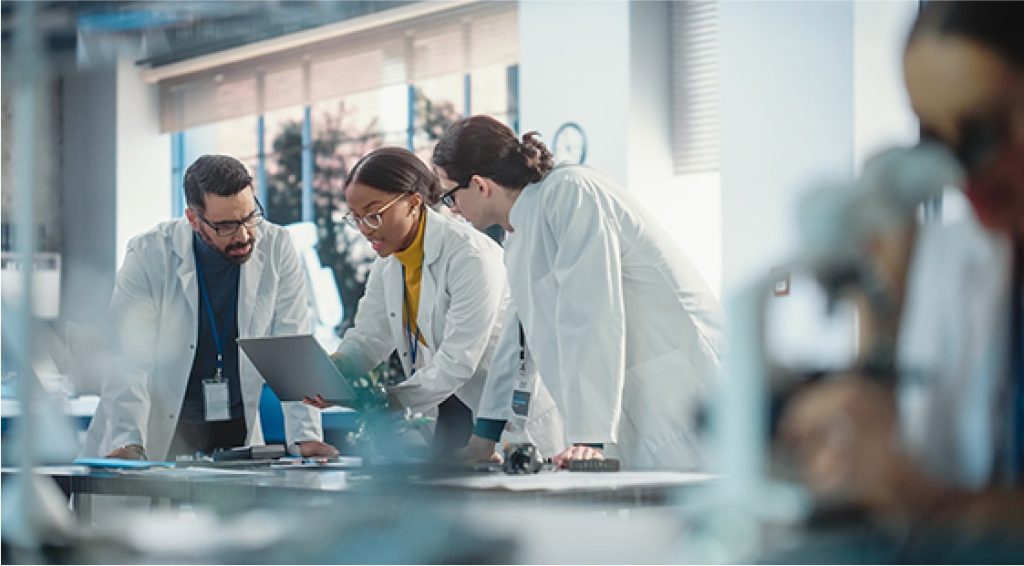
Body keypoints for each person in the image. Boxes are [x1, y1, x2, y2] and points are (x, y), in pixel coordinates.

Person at [780, 0, 1024, 545]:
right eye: (938, 140)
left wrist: (934, 501)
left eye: (983, 130)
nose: (965, 171)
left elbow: (957, 501)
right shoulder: (972, 258)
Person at [432, 116, 726, 470]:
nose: (452, 209)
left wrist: (588, 437)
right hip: (631, 404)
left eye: (450, 195)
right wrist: (485, 435)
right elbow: (518, 336)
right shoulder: (521, 232)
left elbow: (591, 311)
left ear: (480, 185)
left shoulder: (569, 192)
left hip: (674, 387)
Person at [307, 147, 563, 459]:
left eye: (373, 215)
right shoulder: (389, 264)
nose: (364, 229)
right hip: (448, 414)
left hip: (506, 416)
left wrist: (379, 401)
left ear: (413, 202)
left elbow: (458, 362)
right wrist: (337, 370)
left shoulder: (470, 256)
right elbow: (369, 337)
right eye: (355, 217)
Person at [83, 155, 337, 460]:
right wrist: (128, 439)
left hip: (236, 426)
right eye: (227, 226)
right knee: (149, 505)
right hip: (160, 427)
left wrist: (305, 437)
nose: (244, 235)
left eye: (250, 217)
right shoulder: (149, 253)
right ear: (194, 219)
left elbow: (291, 347)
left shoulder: (277, 247)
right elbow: (128, 358)